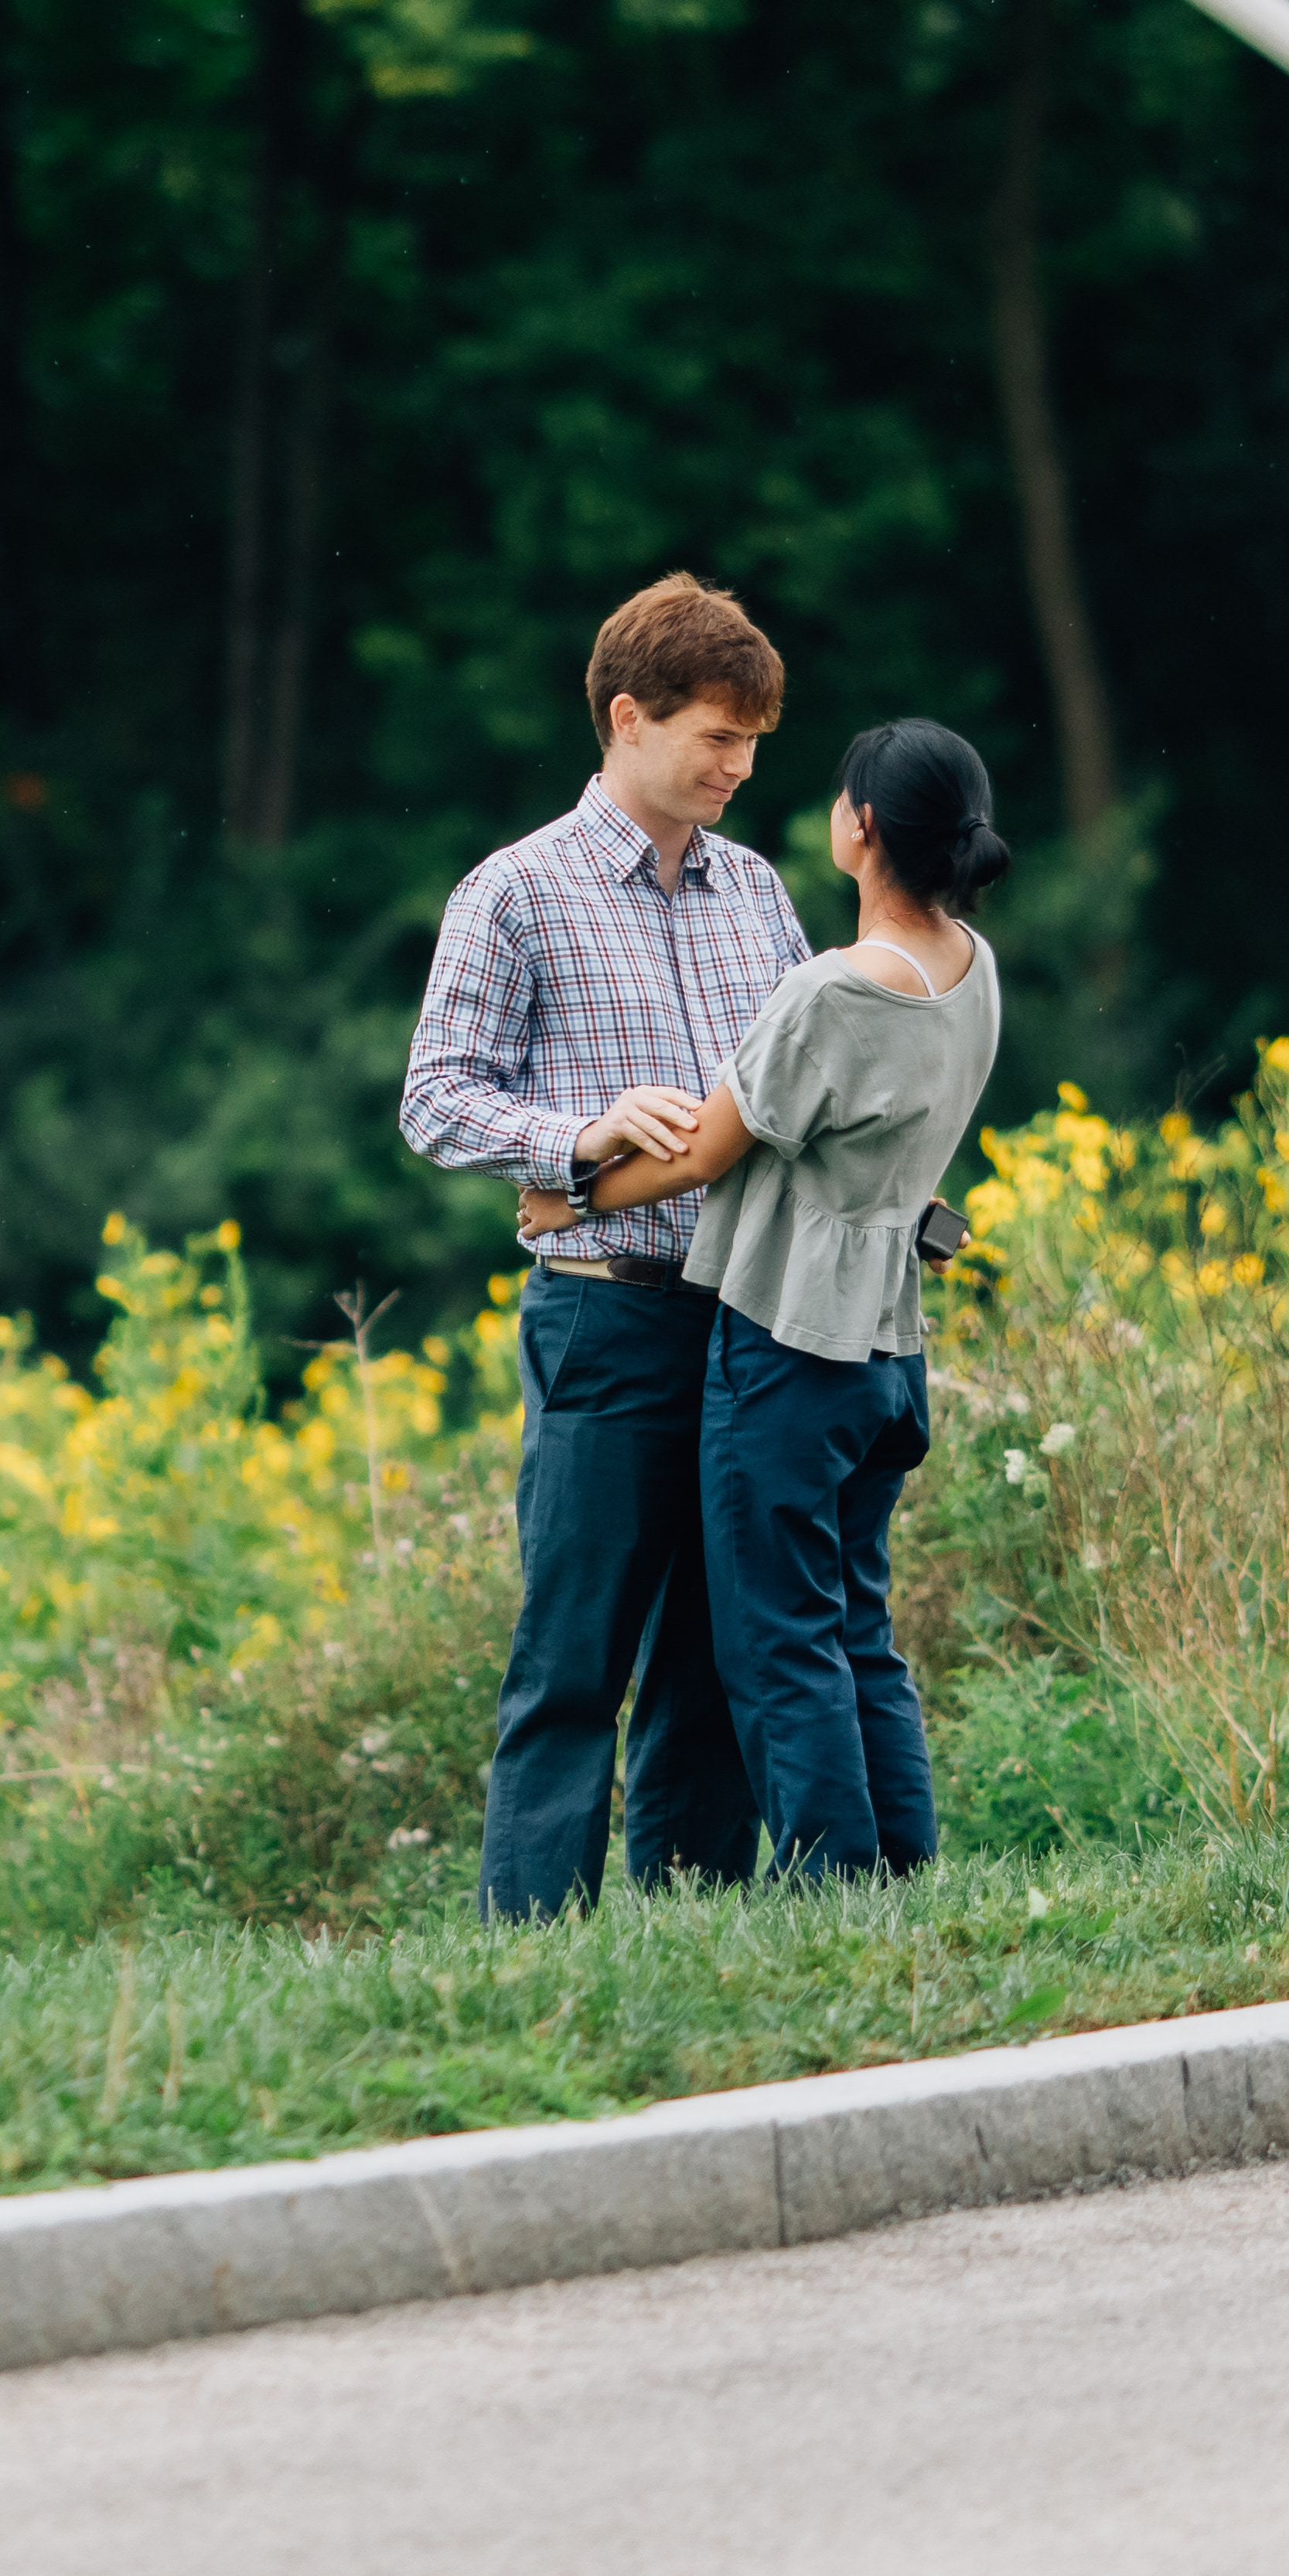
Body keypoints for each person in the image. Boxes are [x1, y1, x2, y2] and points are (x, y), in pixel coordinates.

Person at [401, 574, 808, 1919]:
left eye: (753, 741)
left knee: (713, 1649)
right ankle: (535, 1945)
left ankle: (689, 1925)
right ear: (627, 718)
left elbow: (802, 1090)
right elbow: (437, 1098)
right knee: (574, 1650)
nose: (740, 767)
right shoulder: (514, 891)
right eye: (716, 736)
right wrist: (578, 1143)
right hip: (606, 1318)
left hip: (748, 1315)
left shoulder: (757, 893)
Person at [545, 718, 1009, 1881]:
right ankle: (900, 1870)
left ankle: (833, 1883)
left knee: (779, 1636)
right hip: (891, 1346)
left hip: (791, 1345)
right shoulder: (972, 968)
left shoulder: (832, 993)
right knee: (859, 1627)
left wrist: (571, 1198)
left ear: (860, 828)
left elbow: (707, 1150)